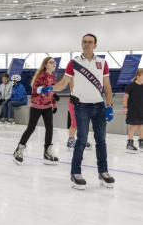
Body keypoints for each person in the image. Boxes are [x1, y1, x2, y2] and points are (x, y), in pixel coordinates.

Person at [39, 34, 114, 190]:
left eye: (90, 42)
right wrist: (50, 88)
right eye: (84, 42)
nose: (86, 44)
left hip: (99, 106)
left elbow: (107, 85)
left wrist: (110, 105)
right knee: (81, 140)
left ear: (95, 45)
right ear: (81, 44)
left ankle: (103, 171)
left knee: (101, 141)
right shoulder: (74, 63)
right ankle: (76, 173)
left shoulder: (102, 63)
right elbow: (64, 83)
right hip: (81, 106)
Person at [13, 57, 58, 165]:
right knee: (31, 128)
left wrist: (54, 103)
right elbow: (35, 89)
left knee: (49, 128)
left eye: (54, 62)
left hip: (47, 106)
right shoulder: (41, 76)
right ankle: (19, 149)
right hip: (37, 106)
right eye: (51, 62)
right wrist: (43, 89)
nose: (54, 64)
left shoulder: (52, 76)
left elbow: (53, 91)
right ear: (45, 65)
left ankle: (47, 151)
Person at [66, 80, 92, 150]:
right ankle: (71, 140)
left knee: (83, 123)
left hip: (83, 103)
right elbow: (73, 90)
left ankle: (82, 140)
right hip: (74, 103)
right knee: (75, 122)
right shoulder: (72, 78)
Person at [123, 69, 143, 153]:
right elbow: (125, 97)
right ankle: (130, 144)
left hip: (141, 109)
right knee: (133, 126)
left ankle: (141, 142)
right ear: (138, 76)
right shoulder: (131, 86)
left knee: (141, 126)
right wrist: (125, 107)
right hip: (133, 110)